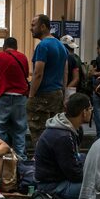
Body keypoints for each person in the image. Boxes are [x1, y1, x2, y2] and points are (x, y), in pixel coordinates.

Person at [34, 93, 91, 199]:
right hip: (52, 187)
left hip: (60, 178)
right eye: (90, 109)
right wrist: (92, 175)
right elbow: (74, 174)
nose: (91, 111)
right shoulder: (63, 137)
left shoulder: (73, 129)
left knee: (85, 158)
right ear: (84, 112)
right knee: (99, 189)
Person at [27, 15, 68, 148]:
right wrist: (64, 92)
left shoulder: (43, 46)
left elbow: (38, 73)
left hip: (42, 96)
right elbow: (65, 72)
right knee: (55, 133)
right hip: (57, 94)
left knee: (39, 134)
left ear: (43, 26)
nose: (30, 28)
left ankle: (41, 163)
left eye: (33, 25)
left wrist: (31, 96)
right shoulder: (61, 46)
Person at [0, 37, 30, 161]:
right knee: (19, 131)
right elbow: (25, 75)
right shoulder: (23, 57)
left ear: (4, 46)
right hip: (20, 99)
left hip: (1, 97)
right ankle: (20, 162)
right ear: (16, 47)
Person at [60, 35, 80, 101]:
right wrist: (67, 90)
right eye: (71, 49)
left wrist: (64, 90)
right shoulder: (74, 58)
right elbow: (76, 78)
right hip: (70, 91)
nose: (72, 51)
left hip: (58, 90)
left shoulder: (58, 57)